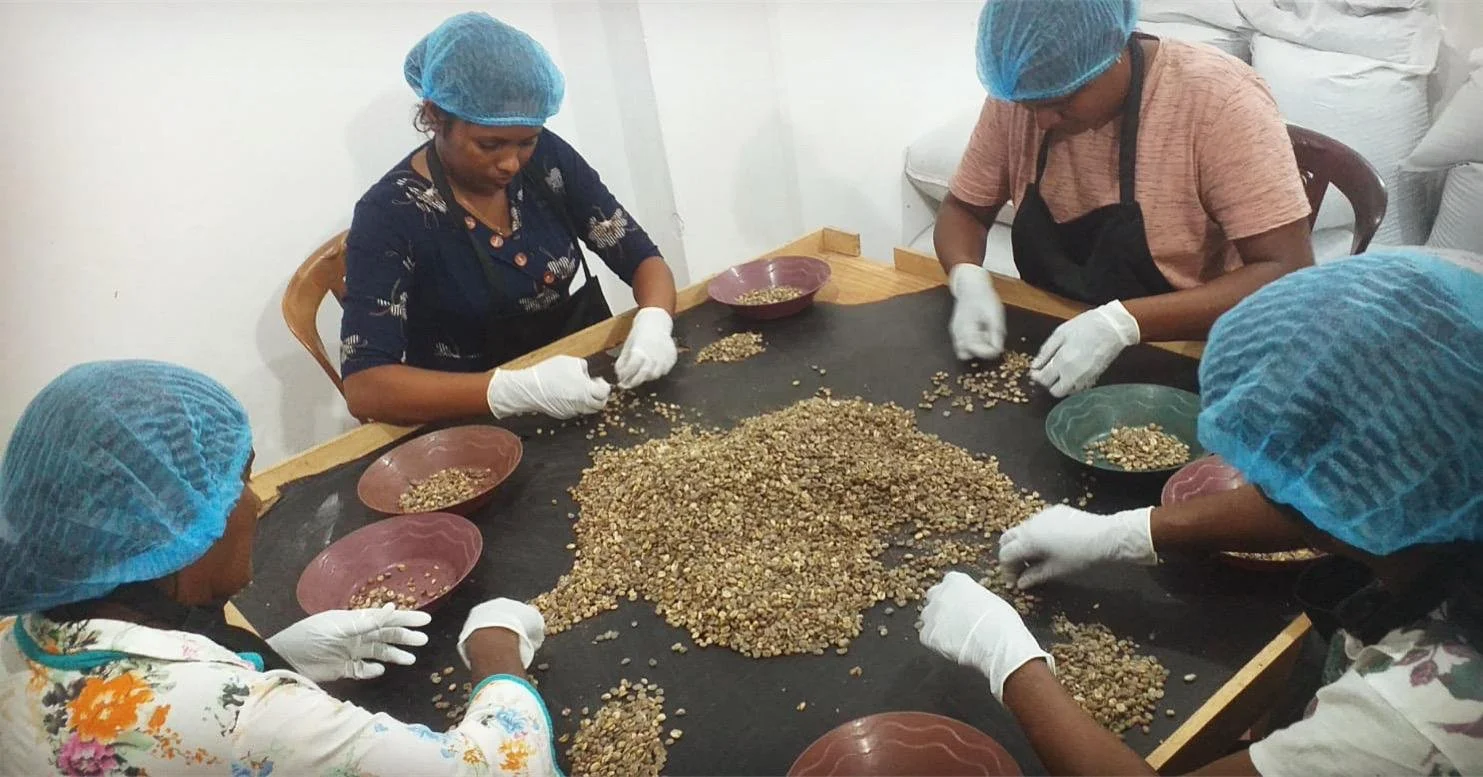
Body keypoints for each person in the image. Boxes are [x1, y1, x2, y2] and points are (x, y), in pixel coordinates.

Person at [917, 251, 1483, 775]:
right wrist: (1124, 532)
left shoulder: (1426, 712)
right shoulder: (1450, 491)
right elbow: (1325, 500)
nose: (1265, 484)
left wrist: (1010, 662)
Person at [0, 361, 557, 775]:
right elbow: (493, 768)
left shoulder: (21, 641)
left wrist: (274, 655)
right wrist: (496, 646)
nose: (258, 499)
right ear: (181, 533)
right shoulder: (240, 721)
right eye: (239, 481)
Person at [939, 0, 1314, 398]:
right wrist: (967, 275)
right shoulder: (1025, 90)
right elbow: (964, 210)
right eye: (1029, 106)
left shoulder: (1218, 101)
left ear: (1113, 51)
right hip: (1054, 343)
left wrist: (1121, 324)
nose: (1043, 120)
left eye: (1061, 101)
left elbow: (1287, 272)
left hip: (1189, 355)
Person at [340, 12, 679, 425]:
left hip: (582, 390)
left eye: (526, 142)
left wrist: (655, 320)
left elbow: (640, 256)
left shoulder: (547, 160)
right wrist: (511, 391)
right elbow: (366, 388)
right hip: (470, 418)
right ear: (434, 116)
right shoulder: (391, 213)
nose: (511, 163)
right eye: (489, 145)